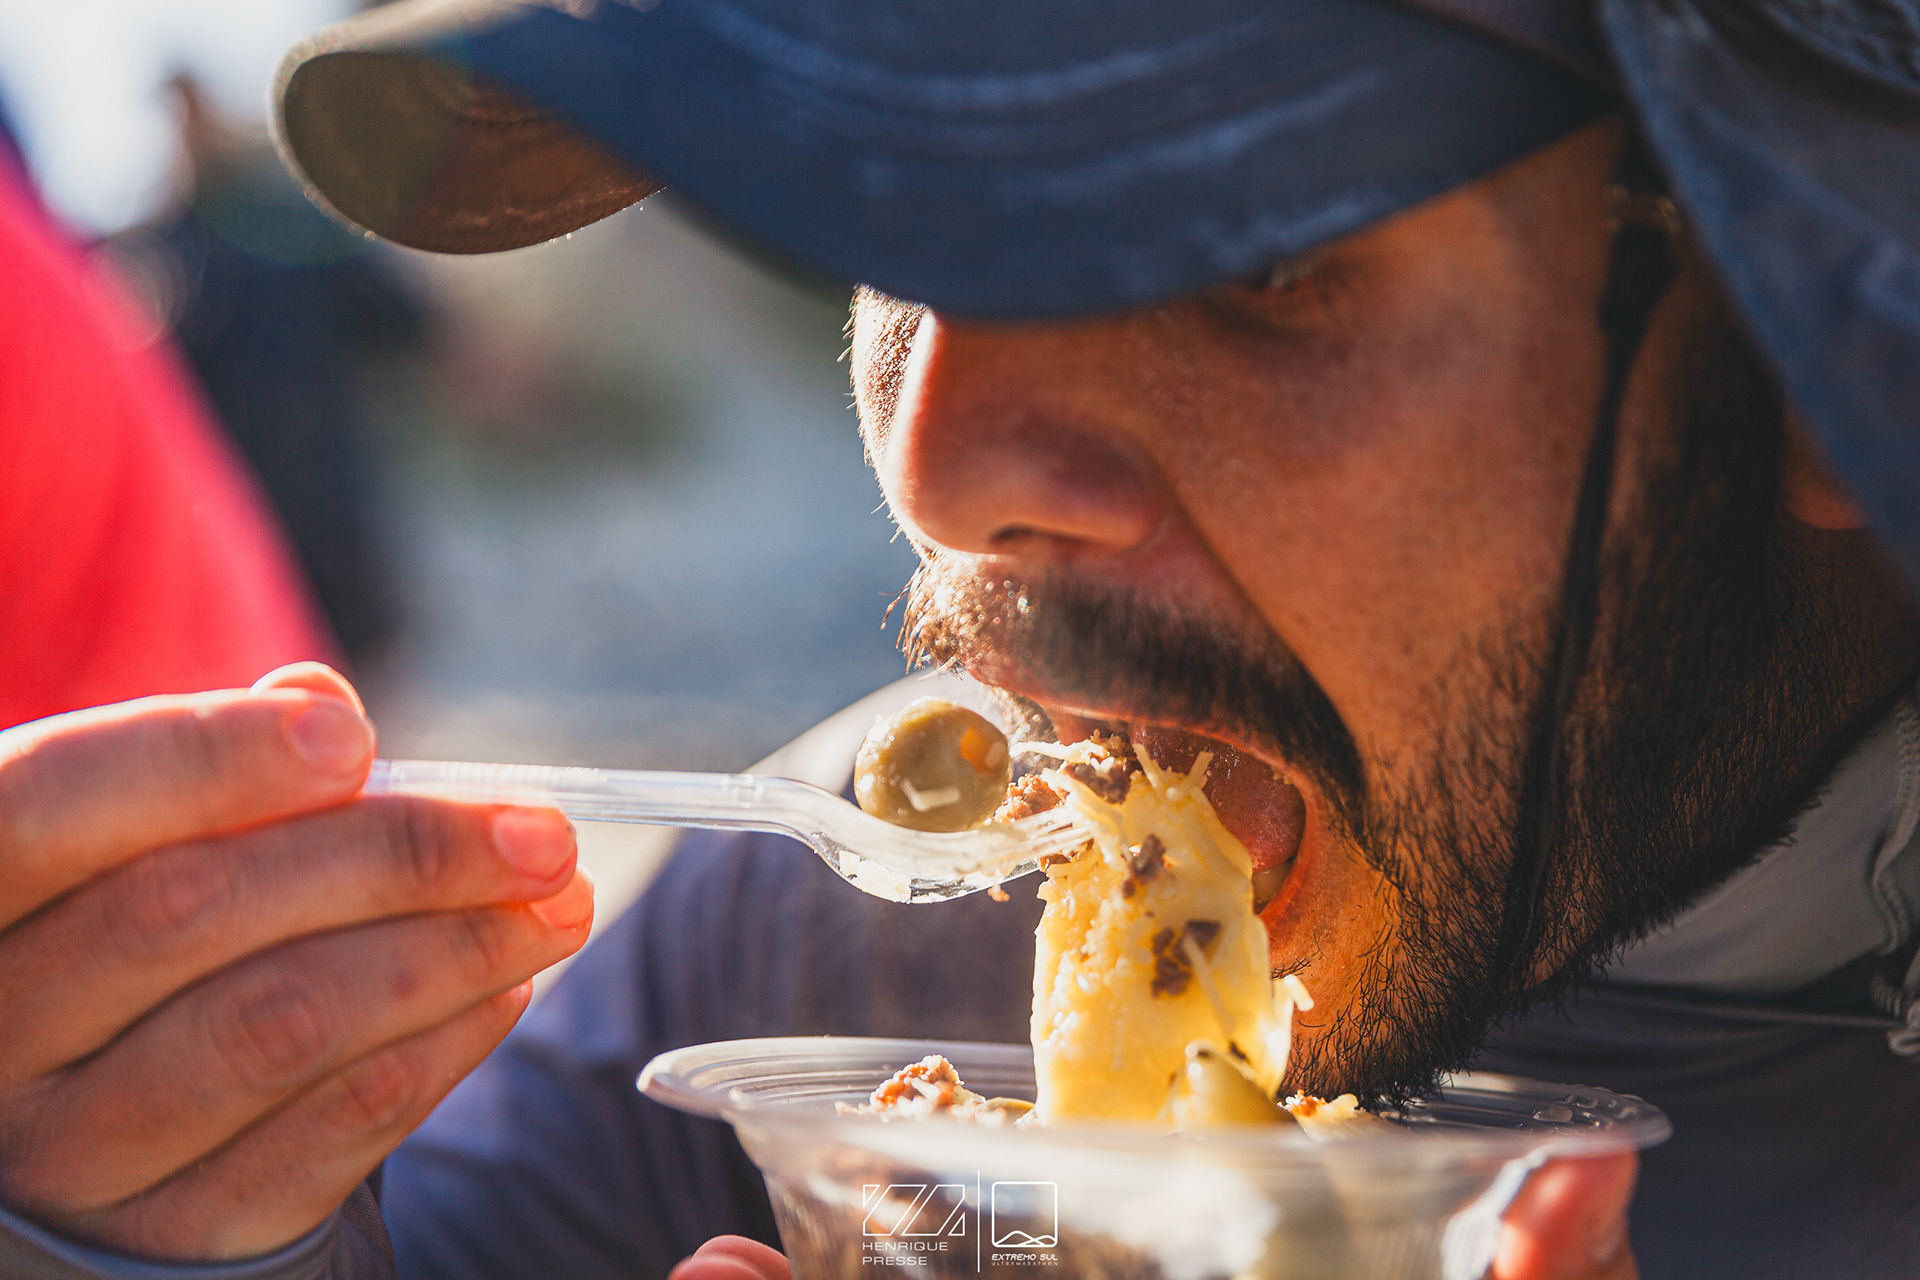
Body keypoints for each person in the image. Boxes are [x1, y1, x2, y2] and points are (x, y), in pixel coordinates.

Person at [7, 0, 1920, 1277]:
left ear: (1809, 334)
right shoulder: (831, 938)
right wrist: (132, 1211)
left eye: (1245, 256)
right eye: (887, 225)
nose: (938, 463)